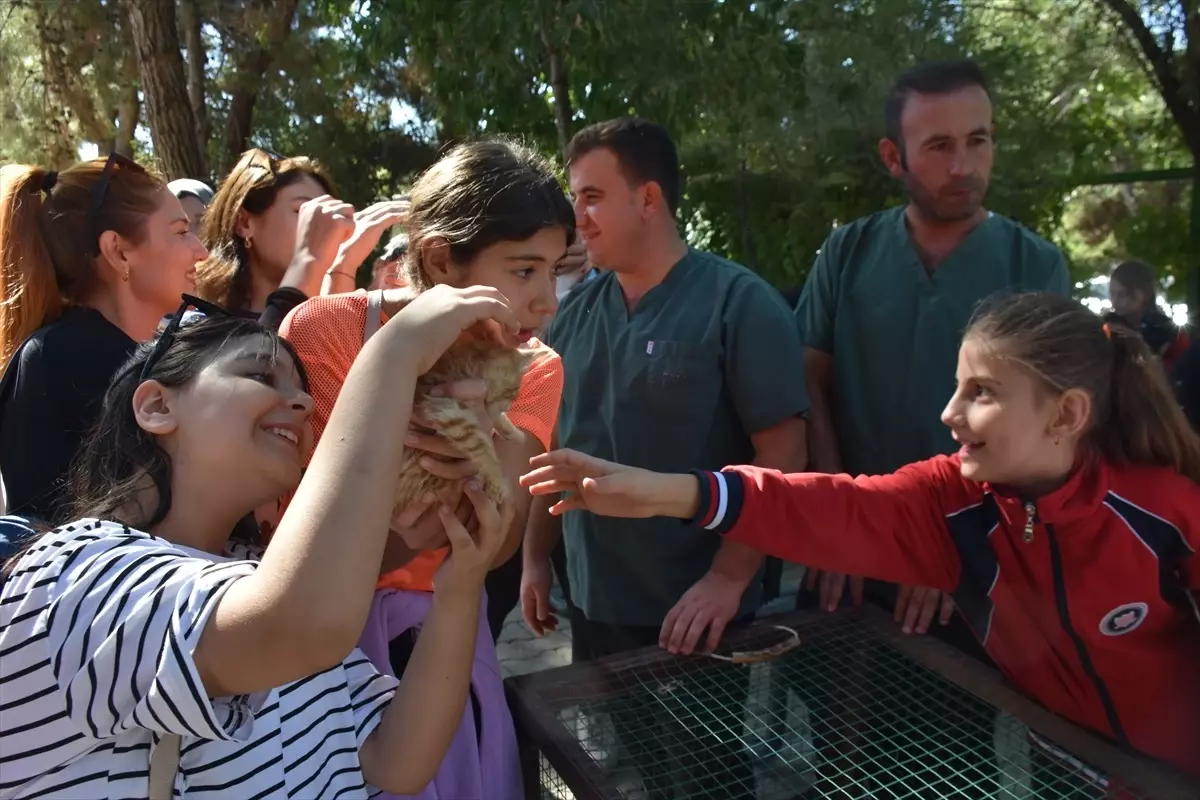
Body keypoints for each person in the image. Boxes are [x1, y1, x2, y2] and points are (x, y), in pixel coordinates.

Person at [523, 292, 1200, 779]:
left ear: (1068, 414)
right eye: (956, 386)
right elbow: (822, 507)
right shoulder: (953, 502)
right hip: (1067, 766)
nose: (949, 412)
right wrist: (660, 491)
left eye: (981, 392)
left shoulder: (1167, 513)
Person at [0, 286, 519, 799]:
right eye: (258, 375)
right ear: (157, 405)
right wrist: (393, 353)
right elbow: (299, 626)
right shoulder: (72, 573)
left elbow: (398, 762)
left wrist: (461, 585)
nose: (301, 403)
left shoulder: (261, 575)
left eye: (304, 394)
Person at [522, 117, 808, 798]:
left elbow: (784, 455)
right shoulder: (575, 317)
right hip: (596, 603)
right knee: (629, 775)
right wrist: (536, 556)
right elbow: (552, 450)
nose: (578, 217)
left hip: (694, 606)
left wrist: (730, 578)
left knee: (706, 781)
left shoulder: (738, 302)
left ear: (648, 200)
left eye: (592, 196)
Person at [279, 140, 571, 798]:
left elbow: (489, 540)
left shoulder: (536, 366)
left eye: (555, 270)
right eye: (525, 270)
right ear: (441, 258)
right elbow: (284, 526)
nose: (547, 299)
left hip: (444, 646)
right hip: (306, 643)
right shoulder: (322, 333)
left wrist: (419, 502)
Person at [797, 60, 1070, 647]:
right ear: (893, 157)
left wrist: (957, 538)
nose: (963, 166)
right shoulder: (849, 252)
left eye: (978, 141)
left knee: (953, 731)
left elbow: (1045, 431)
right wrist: (837, 517)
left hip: (967, 571)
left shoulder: (1034, 266)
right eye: (940, 145)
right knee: (837, 729)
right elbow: (809, 381)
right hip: (851, 551)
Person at [0, 155, 207, 522]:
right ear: (118, 250)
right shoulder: (68, 358)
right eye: (179, 232)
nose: (201, 251)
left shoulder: (97, 352)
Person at [194, 148, 405, 318]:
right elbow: (267, 361)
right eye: (304, 211)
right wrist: (309, 260)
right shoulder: (198, 324)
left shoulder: (347, 307)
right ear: (245, 222)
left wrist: (342, 269)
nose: (325, 226)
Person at [1105, 259, 1188, 373]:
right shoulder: (1107, 325)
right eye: (1112, 294)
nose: (1115, 300)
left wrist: (1139, 345)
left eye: (1123, 294)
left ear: (1145, 293)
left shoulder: (1167, 331)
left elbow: (1184, 370)